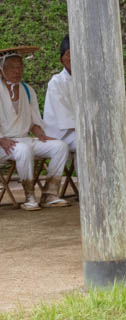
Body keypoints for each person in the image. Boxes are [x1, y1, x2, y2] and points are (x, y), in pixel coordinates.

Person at [44, 34, 126, 176]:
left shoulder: (90, 80)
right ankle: (89, 184)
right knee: (91, 142)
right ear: (61, 59)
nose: (72, 58)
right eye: (68, 54)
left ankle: (121, 180)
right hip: (62, 133)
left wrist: (118, 127)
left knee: (122, 137)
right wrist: (96, 129)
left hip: (88, 128)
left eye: (75, 53)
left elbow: (104, 108)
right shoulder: (56, 83)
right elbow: (65, 118)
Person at [0, 46, 70, 210]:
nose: (18, 71)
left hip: (23, 140)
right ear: (1, 70)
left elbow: (34, 121)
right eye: (13, 67)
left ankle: (50, 194)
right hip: (3, 143)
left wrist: (41, 134)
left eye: (20, 67)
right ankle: (30, 197)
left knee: (60, 146)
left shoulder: (27, 89)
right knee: (23, 150)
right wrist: (1, 139)